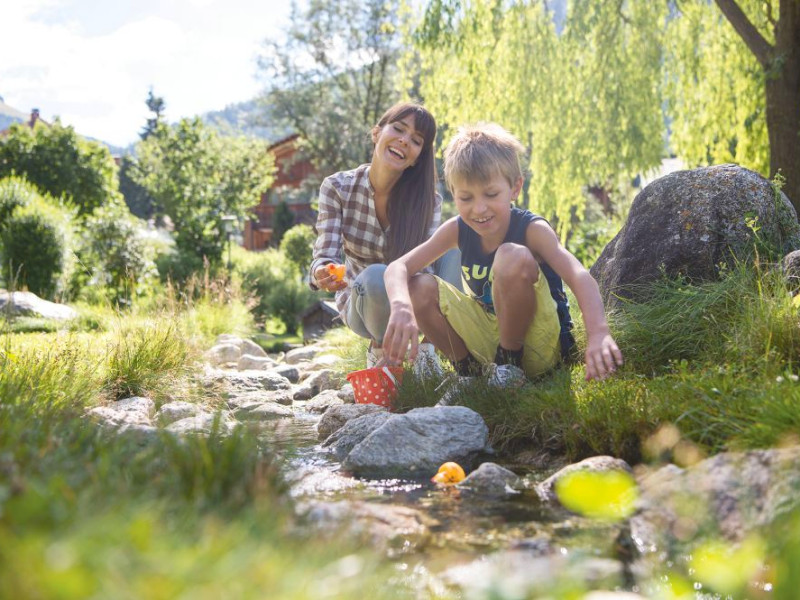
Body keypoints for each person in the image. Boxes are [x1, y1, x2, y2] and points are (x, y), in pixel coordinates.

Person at [382, 123, 622, 401]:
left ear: (515, 187)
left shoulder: (532, 229)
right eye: (465, 197)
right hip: (488, 345)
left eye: (491, 194)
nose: (479, 208)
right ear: (453, 192)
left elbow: (578, 275)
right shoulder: (457, 229)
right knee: (416, 286)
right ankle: (469, 374)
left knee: (511, 255)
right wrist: (401, 308)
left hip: (540, 344)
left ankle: (510, 366)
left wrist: (599, 333)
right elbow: (397, 268)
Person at [309, 102, 461, 375]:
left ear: (417, 158)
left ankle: (426, 352)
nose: (404, 141)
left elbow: (423, 271)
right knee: (378, 275)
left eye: (415, 141)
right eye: (399, 129)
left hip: (410, 299)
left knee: (454, 250)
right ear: (377, 133)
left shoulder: (428, 202)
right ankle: (380, 350)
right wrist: (322, 272)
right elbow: (325, 254)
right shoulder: (337, 187)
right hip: (364, 300)